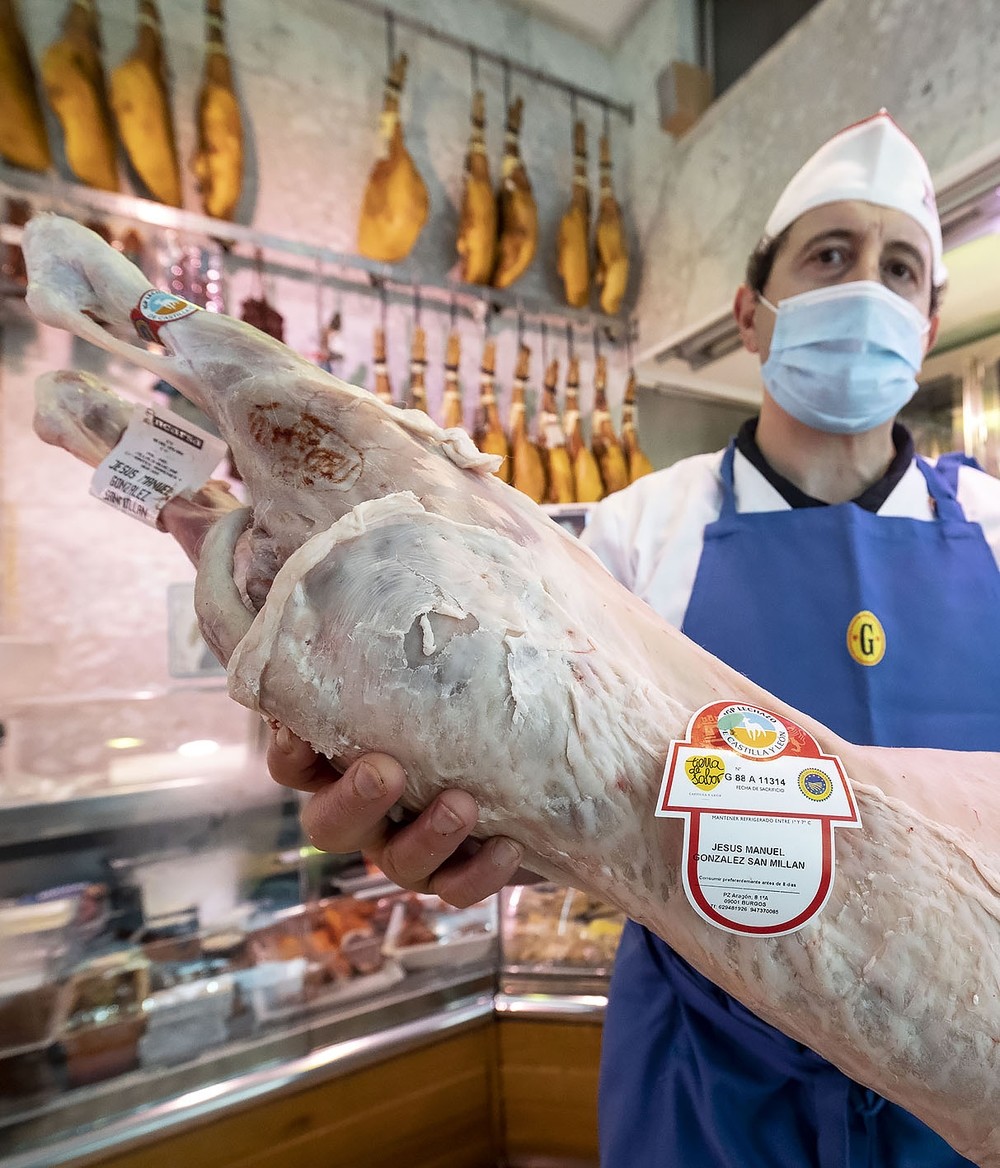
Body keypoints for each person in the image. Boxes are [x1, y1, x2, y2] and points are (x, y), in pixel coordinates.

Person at [268, 111, 1000, 1166]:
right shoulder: (631, 532)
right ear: (752, 315)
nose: (864, 290)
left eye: (898, 269)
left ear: (927, 327)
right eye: (829, 256)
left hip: (962, 1073)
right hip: (708, 1095)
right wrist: (422, 787)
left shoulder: (994, 528)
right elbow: (540, 789)